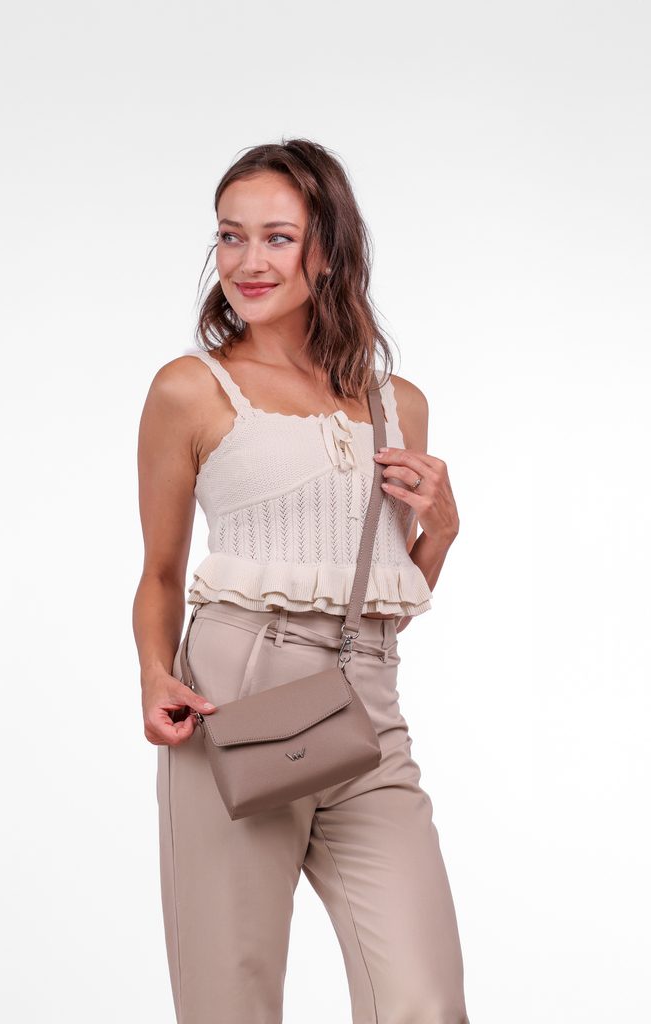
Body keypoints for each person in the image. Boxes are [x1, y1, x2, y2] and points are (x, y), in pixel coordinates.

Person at [133, 138, 470, 1024]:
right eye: (230, 236)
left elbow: (381, 601)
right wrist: (154, 673)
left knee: (424, 1001)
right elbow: (160, 572)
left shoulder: (398, 403)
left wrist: (443, 530)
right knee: (230, 1001)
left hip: (366, 708)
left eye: (277, 238)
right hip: (231, 703)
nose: (248, 261)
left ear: (329, 250)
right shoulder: (191, 390)